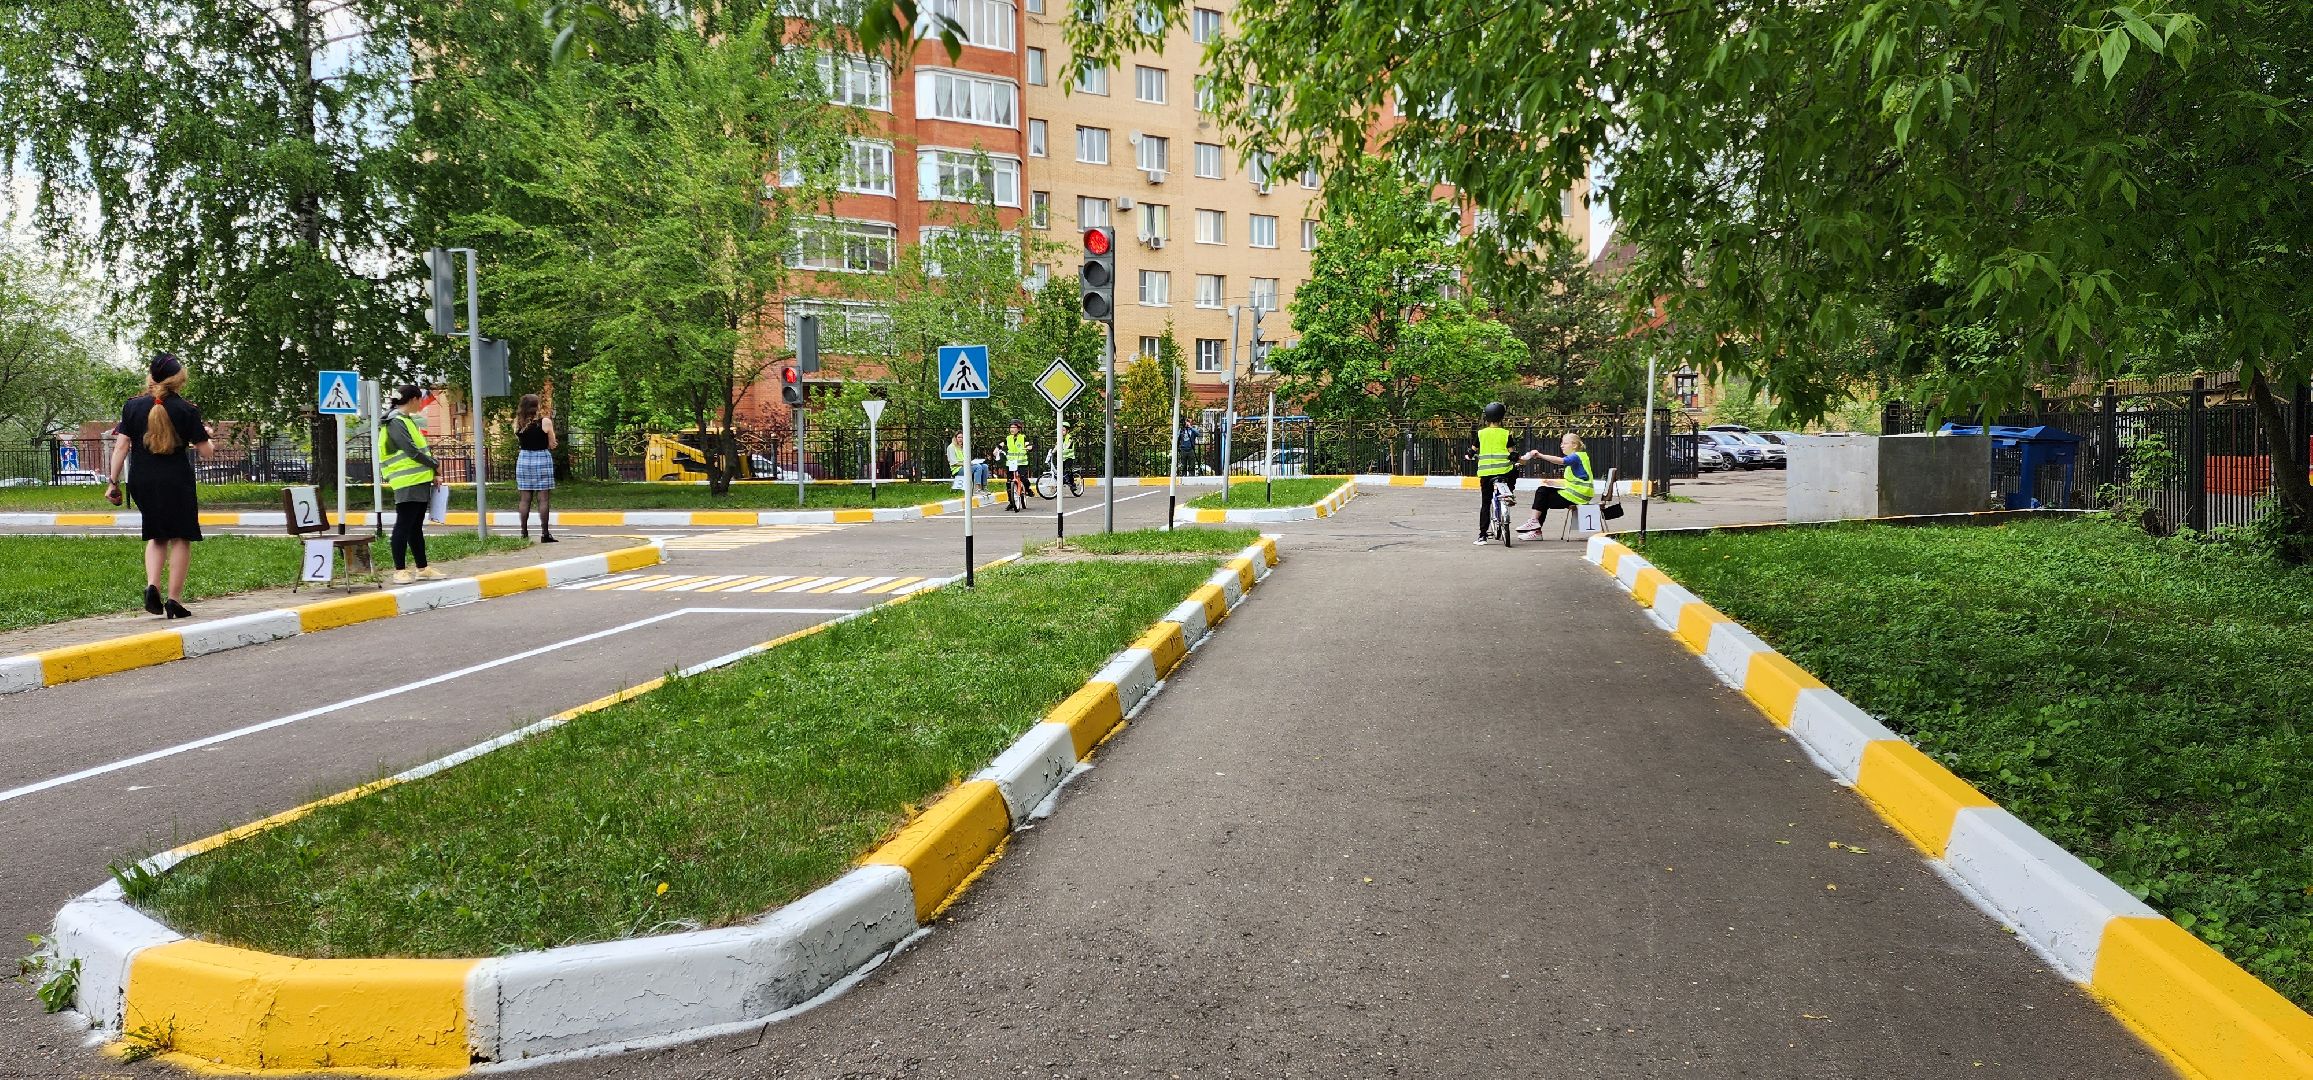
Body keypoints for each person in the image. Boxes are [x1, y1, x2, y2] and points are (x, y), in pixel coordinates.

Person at [105, 353, 210, 619]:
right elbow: (206, 451)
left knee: (157, 535)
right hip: (176, 480)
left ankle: (153, 585)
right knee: (181, 538)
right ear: (178, 381)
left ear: (152, 377)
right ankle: (174, 600)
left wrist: (112, 482)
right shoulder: (187, 410)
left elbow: (121, 446)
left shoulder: (132, 407)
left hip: (142, 479)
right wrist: (207, 436)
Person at [379, 385, 447, 584]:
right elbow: (411, 451)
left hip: (418, 480)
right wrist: (435, 465)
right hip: (406, 482)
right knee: (404, 525)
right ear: (414, 399)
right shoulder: (395, 421)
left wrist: (432, 472)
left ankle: (422, 568)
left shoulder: (407, 421)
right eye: (420, 400)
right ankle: (399, 570)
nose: (421, 404)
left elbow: (420, 450)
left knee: (415, 527)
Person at [1518, 433, 1596, 538]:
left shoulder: (1576, 457)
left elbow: (1561, 461)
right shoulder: (1580, 457)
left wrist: (1540, 456)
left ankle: (1535, 526)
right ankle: (1535, 526)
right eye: (1561, 443)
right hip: (1579, 494)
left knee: (1542, 496)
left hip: (1577, 496)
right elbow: (1575, 480)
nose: (1561, 445)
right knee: (1543, 492)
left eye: (1565, 443)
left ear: (1574, 445)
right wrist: (1554, 483)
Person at [512, 394, 558, 543]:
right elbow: (552, 443)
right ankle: (545, 534)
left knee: (525, 499)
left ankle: (524, 533)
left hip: (524, 459)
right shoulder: (545, 422)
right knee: (543, 499)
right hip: (542, 458)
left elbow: (520, 440)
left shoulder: (517, 422)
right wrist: (552, 441)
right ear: (536, 406)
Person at [1471, 402, 1516, 545]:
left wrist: (1469, 454)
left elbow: (1472, 450)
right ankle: (1509, 493)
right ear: (1501, 417)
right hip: (1504, 471)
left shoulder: (1481, 434)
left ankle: (1482, 535)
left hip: (1486, 474)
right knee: (1514, 471)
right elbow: (1512, 452)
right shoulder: (1505, 433)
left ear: (1486, 417)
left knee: (1485, 503)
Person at [1004, 421, 1030, 512]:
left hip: (1021, 463)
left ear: (1019, 429)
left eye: (1014, 427)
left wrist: (1030, 447)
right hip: (1011, 463)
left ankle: (1027, 489)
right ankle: (1011, 502)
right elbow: (1001, 444)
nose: (1012, 429)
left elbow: (1028, 444)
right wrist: (997, 449)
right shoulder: (1008, 438)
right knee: (1009, 482)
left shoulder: (1023, 437)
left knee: (1023, 478)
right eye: (1011, 427)